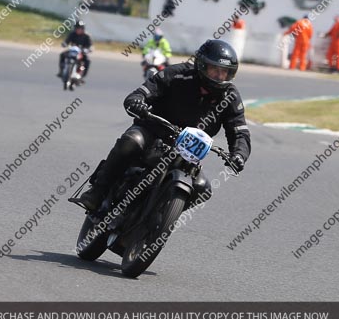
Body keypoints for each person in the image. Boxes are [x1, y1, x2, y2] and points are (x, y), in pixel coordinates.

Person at [77, 39, 251, 212]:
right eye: (215, 70)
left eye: (225, 72)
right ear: (202, 66)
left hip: (188, 152)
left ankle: (162, 214)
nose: (220, 77)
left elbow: (239, 130)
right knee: (131, 140)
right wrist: (137, 102)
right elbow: (143, 92)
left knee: (203, 189)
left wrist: (239, 154)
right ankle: (97, 192)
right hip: (153, 132)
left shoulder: (230, 96)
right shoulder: (177, 74)